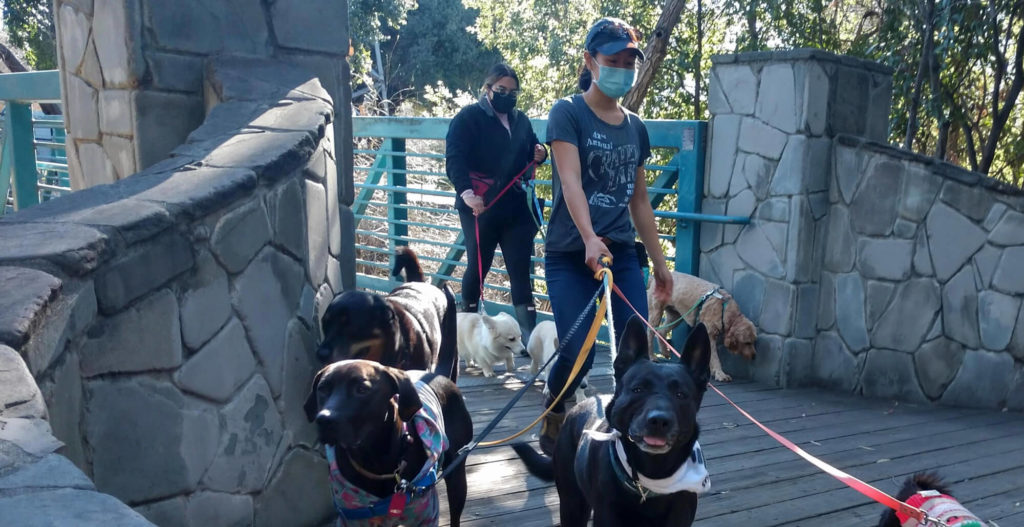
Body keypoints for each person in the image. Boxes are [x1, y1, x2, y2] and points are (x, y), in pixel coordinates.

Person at [539, 17, 673, 455]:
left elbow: (639, 201)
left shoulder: (635, 127)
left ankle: (630, 437)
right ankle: (556, 409)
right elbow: (571, 182)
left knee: (638, 349)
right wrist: (589, 238)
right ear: (590, 61)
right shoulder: (568, 113)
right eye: (612, 60)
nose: (621, 69)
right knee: (580, 354)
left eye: (627, 62)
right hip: (570, 254)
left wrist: (660, 264)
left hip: (620, 253)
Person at [445, 64, 548, 347]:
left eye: (513, 92)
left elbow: (533, 151)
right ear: (487, 89)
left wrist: (541, 153)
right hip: (480, 205)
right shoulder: (468, 118)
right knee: (478, 266)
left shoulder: (522, 121)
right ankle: (464, 335)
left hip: (516, 207)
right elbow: (454, 157)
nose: (507, 96)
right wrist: (466, 193)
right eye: (501, 90)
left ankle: (527, 340)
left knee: (520, 270)